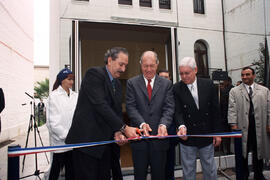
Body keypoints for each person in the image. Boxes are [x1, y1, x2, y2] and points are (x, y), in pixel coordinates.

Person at [65, 47, 139, 179]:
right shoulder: (94, 74)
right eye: (121, 64)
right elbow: (101, 105)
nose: (123, 69)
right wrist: (124, 128)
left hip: (104, 146)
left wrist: (118, 133)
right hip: (87, 144)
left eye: (125, 66)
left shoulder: (116, 83)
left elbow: (115, 111)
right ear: (110, 60)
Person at [126, 51, 175, 180]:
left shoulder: (166, 84)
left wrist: (163, 124)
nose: (148, 69)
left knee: (159, 176)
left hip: (159, 142)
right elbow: (131, 107)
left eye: (151, 66)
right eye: (145, 65)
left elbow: (169, 108)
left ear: (157, 65)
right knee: (140, 176)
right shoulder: (132, 83)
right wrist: (142, 123)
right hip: (139, 141)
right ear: (140, 65)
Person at [174, 57, 222, 180]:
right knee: (188, 170)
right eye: (181, 73)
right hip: (187, 136)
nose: (184, 77)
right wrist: (181, 126)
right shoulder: (176, 88)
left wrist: (217, 133)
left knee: (209, 168)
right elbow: (177, 112)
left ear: (195, 70)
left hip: (206, 134)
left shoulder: (208, 84)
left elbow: (215, 111)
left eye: (187, 73)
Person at [228, 66, 270, 180]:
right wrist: (233, 124)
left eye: (247, 74)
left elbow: (269, 109)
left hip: (259, 127)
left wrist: (269, 124)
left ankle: (258, 174)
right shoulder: (234, 91)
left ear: (254, 75)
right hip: (241, 127)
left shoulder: (264, 90)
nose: (244, 77)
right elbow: (231, 109)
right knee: (242, 153)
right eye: (242, 75)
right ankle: (243, 175)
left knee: (259, 152)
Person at [46, 68, 78, 180]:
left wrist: (74, 135)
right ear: (62, 80)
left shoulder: (75, 96)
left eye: (72, 79)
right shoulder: (54, 96)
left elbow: (77, 117)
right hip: (60, 142)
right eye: (69, 79)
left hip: (73, 142)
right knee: (55, 170)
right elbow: (52, 122)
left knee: (72, 172)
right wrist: (66, 135)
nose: (72, 82)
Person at [158, 69, 178, 180]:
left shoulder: (175, 92)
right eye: (161, 77)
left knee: (170, 163)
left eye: (166, 77)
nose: (164, 80)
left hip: (170, 134)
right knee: (158, 165)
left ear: (170, 79)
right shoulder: (152, 92)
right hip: (156, 135)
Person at [220, 76, 234, 154]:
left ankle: (227, 150)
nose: (223, 83)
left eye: (224, 82)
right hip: (226, 116)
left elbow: (223, 104)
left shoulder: (227, 90)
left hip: (226, 116)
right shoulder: (231, 89)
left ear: (228, 81)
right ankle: (227, 150)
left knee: (227, 134)